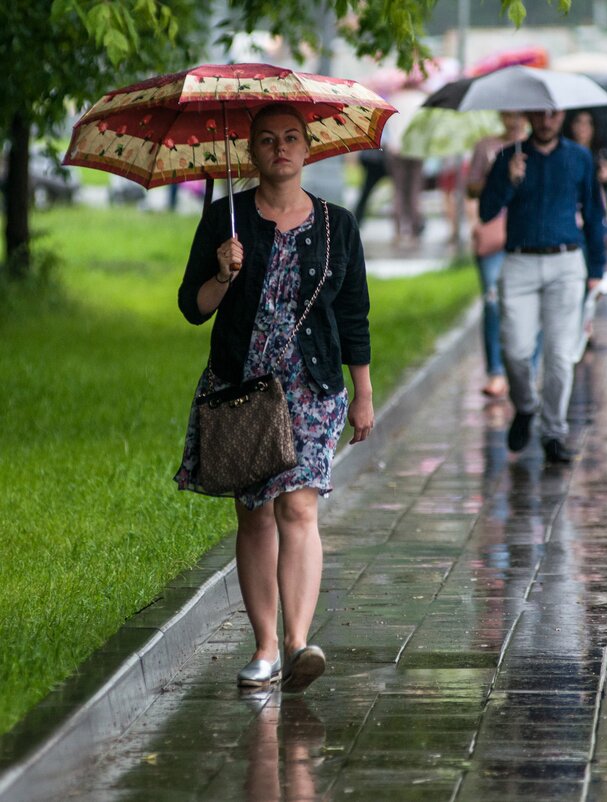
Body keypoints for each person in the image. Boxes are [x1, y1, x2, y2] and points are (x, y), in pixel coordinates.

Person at [174, 103, 375, 694]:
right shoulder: (224, 219)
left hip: (312, 388)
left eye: (291, 138)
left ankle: (296, 643)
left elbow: (354, 313)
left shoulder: (339, 223)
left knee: (299, 509)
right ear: (252, 151)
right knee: (255, 513)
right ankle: (263, 648)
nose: (280, 148)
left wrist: (362, 393)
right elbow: (193, 307)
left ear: (309, 148)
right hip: (241, 387)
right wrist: (223, 275)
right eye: (267, 140)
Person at [479, 109, 607, 464]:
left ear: (561, 115)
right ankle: (525, 406)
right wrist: (508, 180)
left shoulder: (579, 157)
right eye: (540, 113)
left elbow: (595, 213)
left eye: (553, 113)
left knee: (560, 356)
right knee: (516, 351)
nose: (547, 119)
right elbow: (486, 212)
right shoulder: (509, 156)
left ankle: (554, 431)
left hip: (567, 262)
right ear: (530, 115)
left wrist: (596, 267)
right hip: (520, 261)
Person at [467, 111, 528, 399]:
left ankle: (526, 367)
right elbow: (471, 186)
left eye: (517, 114)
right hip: (492, 234)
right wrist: (498, 175)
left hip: (523, 235)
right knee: (492, 301)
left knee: (524, 305)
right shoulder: (486, 146)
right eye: (507, 113)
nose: (512, 119)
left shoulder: (533, 148)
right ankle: (495, 371)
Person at [383, 85, 429, 247]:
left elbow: (387, 126)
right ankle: (415, 229)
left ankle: (398, 230)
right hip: (416, 149)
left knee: (398, 190)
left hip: (395, 149)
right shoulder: (422, 99)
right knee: (415, 189)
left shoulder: (394, 99)